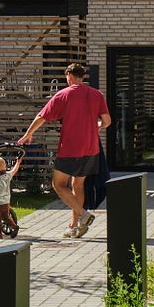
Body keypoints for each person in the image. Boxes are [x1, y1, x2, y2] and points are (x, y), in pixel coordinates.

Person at [17, 63, 111, 238]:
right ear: (82, 76)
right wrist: (96, 126)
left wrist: (28, 135)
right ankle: (74, 226)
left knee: (58, 185)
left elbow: (42, 117)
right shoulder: (97, 94)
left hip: (70, 149)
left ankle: (83, 214)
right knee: (78, 185)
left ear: (69, 75)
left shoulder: (63, 94)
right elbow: (107, 121)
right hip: (91, 149)